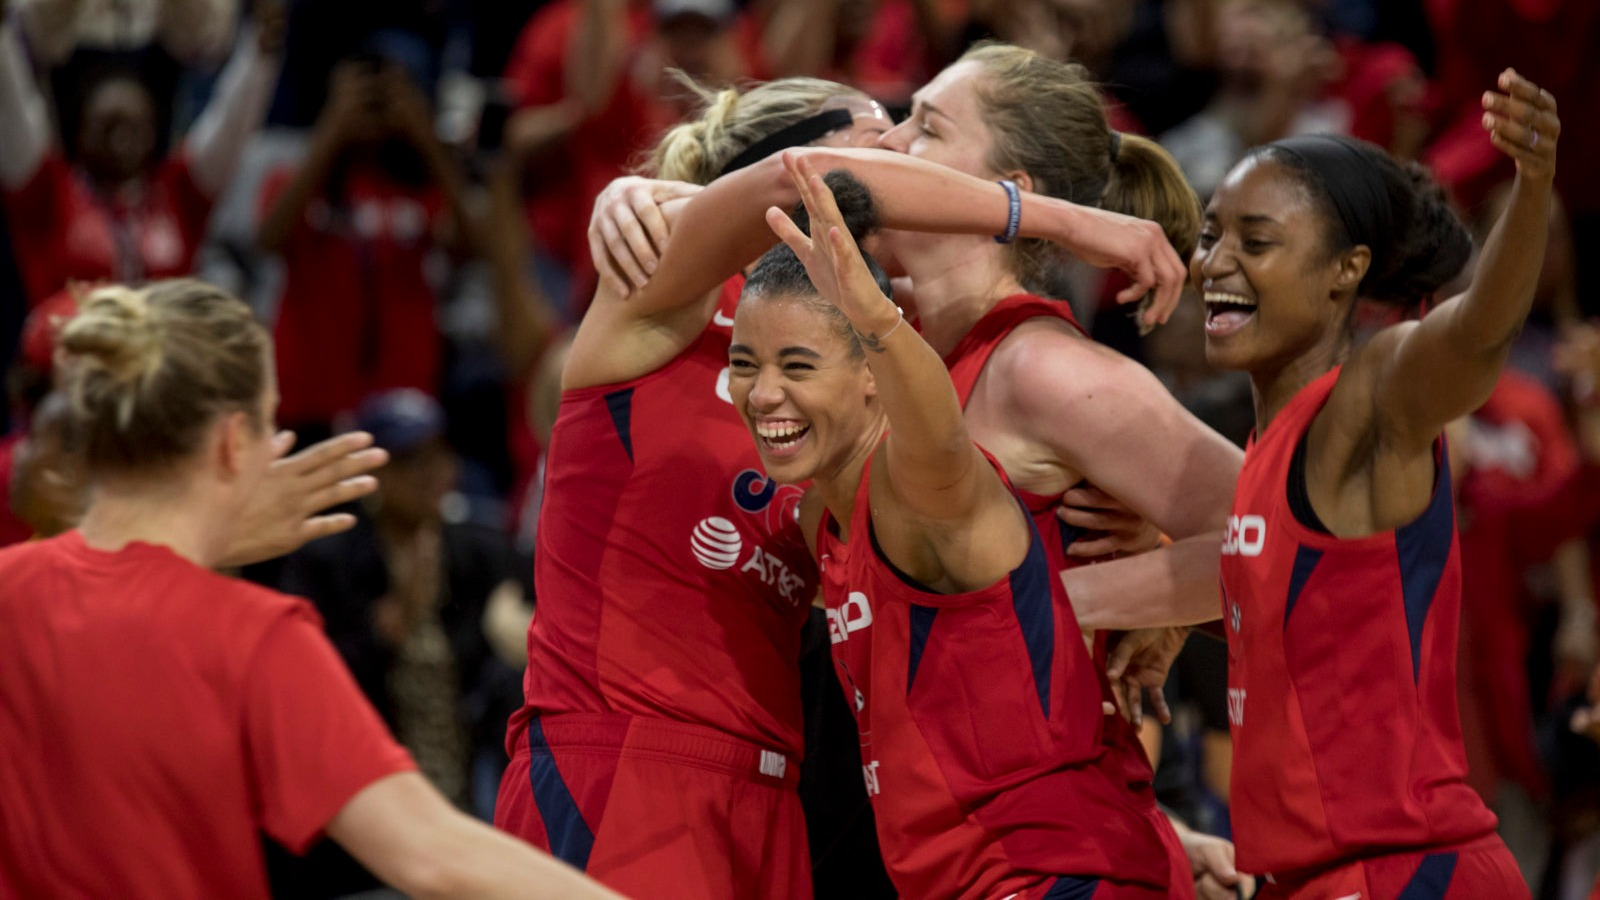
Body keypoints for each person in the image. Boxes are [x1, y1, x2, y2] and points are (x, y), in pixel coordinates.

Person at [0, 279, 624, 900]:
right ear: (228, 444)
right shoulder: (253, 635)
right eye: (270, 423)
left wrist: (205, 540)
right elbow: (432, 854)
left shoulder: (12, 588)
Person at [491, 76, 897, 900]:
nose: (907, 181)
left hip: (770, 792)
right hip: (623, 767)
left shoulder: (873, 355)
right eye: (882, 154)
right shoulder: (661, 285)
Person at [737, 159, 1187, 897]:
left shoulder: (919, 487)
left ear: (873, 373)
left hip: (1056, 875)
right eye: (744, 363)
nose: (763, 392)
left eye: (797, 364)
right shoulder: (826, 518)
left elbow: (938, 444)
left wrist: (879, 322)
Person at [1193, 70, 1559, 896]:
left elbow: (1475, 335)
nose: (1215, 261)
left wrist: (1532, 188)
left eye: (1255, 242)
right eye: (1211, 235)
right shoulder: (1265, 444)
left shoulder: (1369, 397)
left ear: (1344, 270)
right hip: (1319, 877)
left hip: (1406, 870)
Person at [0, 3, 284, 307]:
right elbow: (13, 112)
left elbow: (231, 122)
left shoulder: (178, 194)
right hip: (70, 349)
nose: (122, 139)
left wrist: (261, 53)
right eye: (108, 127)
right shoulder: (49, 195)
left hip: (164, 350)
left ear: (154, 134)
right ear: (80, 134)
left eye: (136, 127)